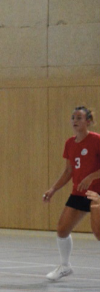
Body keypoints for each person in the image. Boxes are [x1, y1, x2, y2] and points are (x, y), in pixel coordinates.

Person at [43, 107, 100, 280]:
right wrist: (53, 189)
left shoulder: (96, 140)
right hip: (78, 193)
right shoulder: (69, 143)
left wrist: (91, 176)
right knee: (62, 229)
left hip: (96, 193)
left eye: (79, 118)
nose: (75, 121)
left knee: (98, 232)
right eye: (73, 117)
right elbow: (68, 171)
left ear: (88, 121)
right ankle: (65, 266)